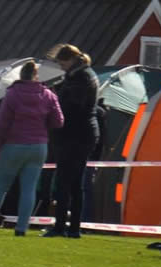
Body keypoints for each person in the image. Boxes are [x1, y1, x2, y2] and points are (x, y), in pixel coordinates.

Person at [0, 61, 64, 236]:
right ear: (36, 76)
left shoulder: (12, 94)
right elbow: (58, 121)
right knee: (29, 189)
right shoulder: (48, 94)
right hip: (38, 146)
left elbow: (1, 124)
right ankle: (21, 228)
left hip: (13, 145)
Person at [43, 44, 100, 239]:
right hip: (84, 133)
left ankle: (60, 226)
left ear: (70, 60)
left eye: (61, 62)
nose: (61, 67)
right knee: (75, 183)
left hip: (74, 134)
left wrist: (54, 108)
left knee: (64, 182)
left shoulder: (80, 78)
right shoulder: (84, 75)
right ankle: (73, 227)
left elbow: (71, 107)